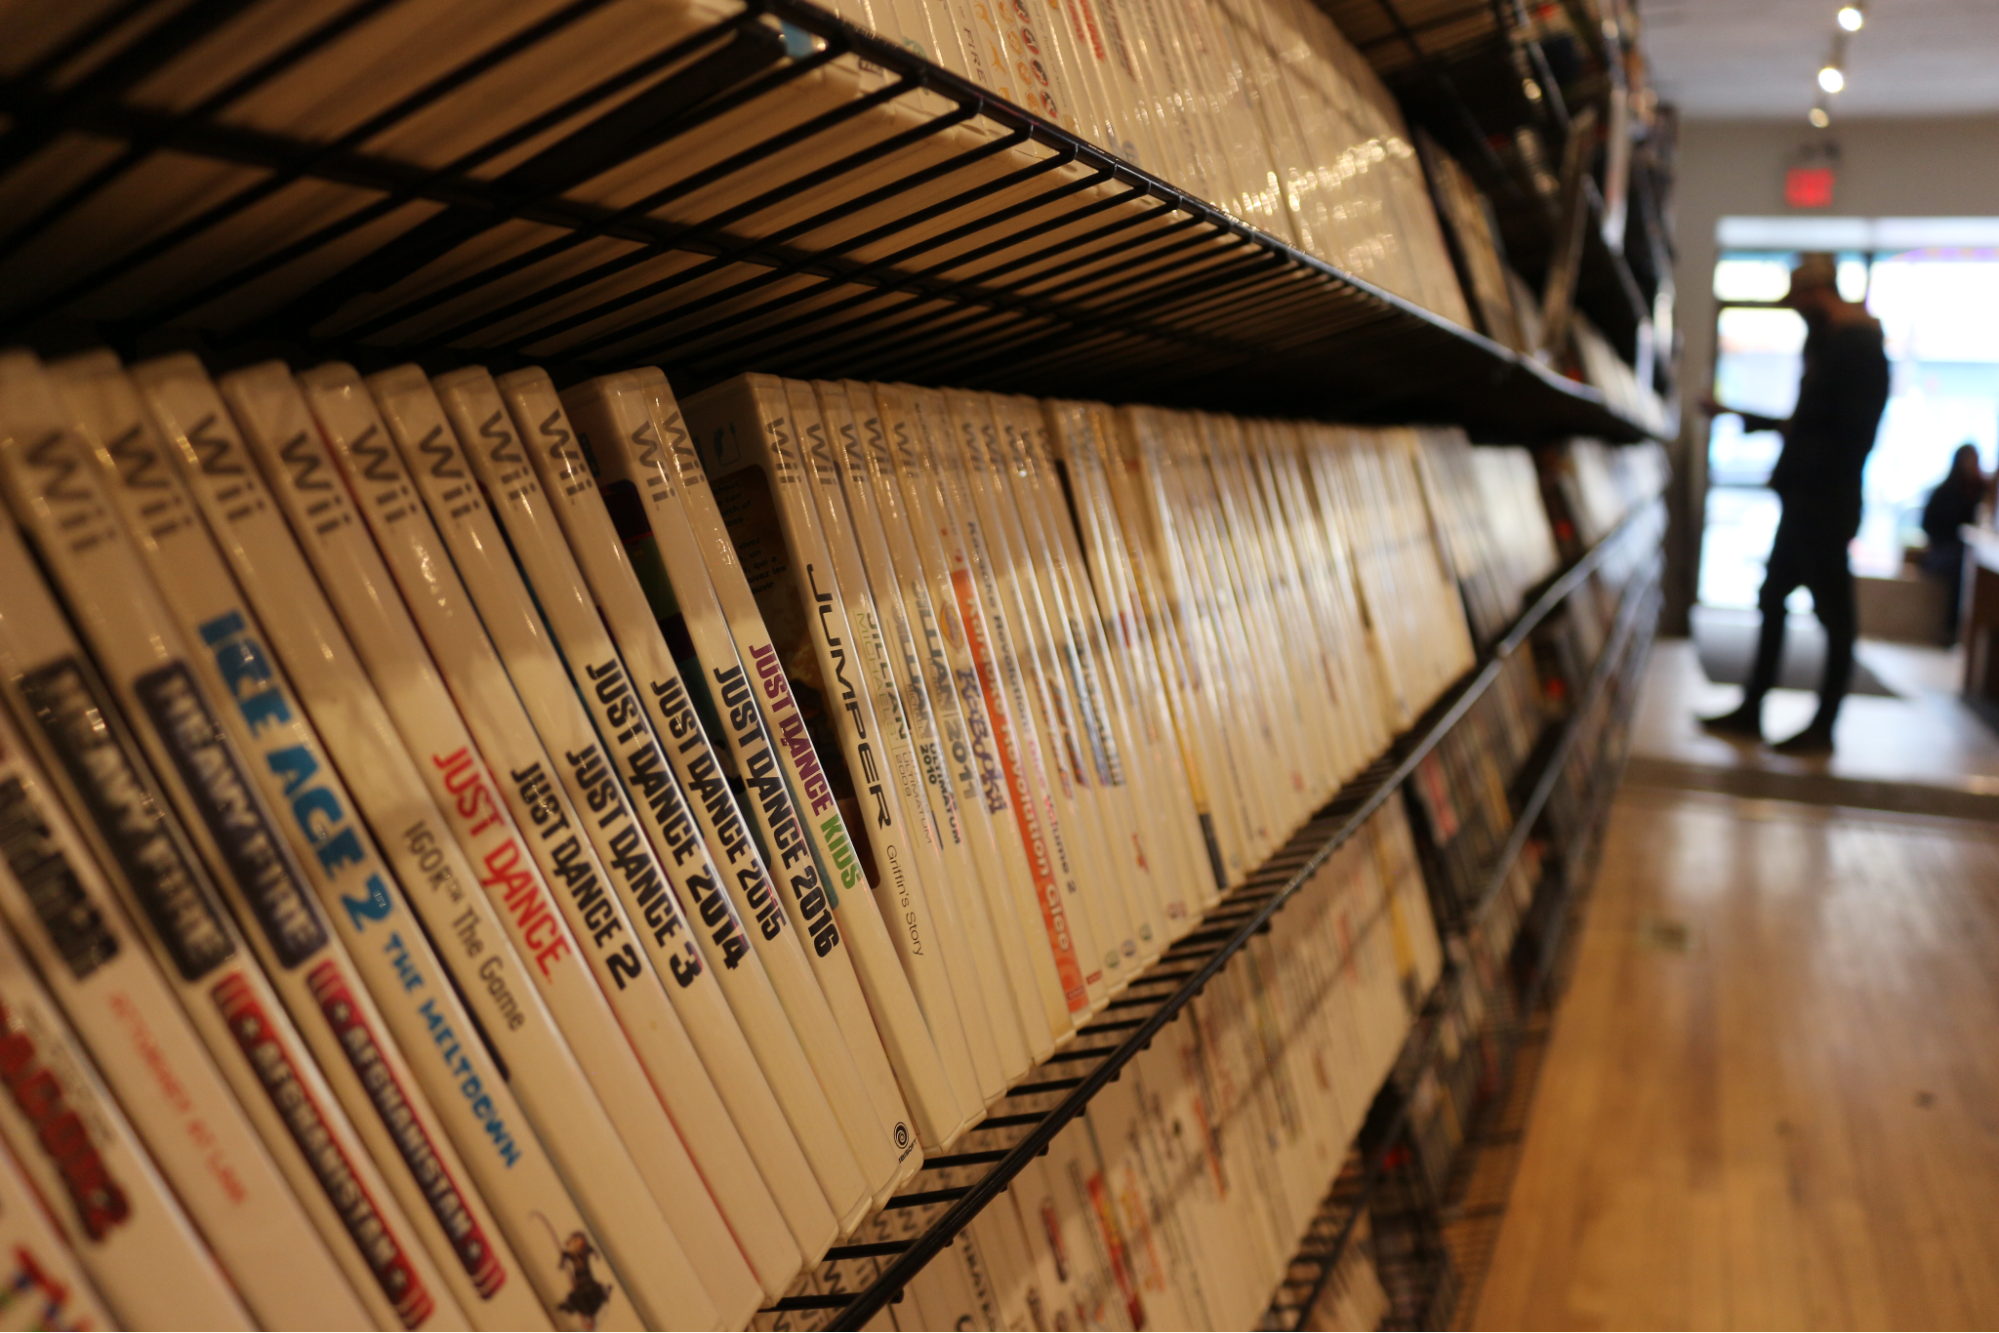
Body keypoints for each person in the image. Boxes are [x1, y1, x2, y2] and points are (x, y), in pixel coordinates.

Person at [1700, 253, 1890, 754]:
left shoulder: (1857, 349)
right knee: (1773, 599)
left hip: (1824, 503)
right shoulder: (1837, 345)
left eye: (1800, 300)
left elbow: (1832, 432)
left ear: (1816, 294)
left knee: (1835, 616)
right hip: (1809, 499)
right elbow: (1808, 423)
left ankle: (1823, 725)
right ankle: (1752, 707)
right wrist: (1739, 415)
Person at [1919, 443, 1986, 641]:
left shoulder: (1980, 490)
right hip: (1943, 553)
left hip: (1965, 551)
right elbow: (1929, 526)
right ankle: (1953, 630)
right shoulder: (1946, 491)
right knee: (1962, 566)